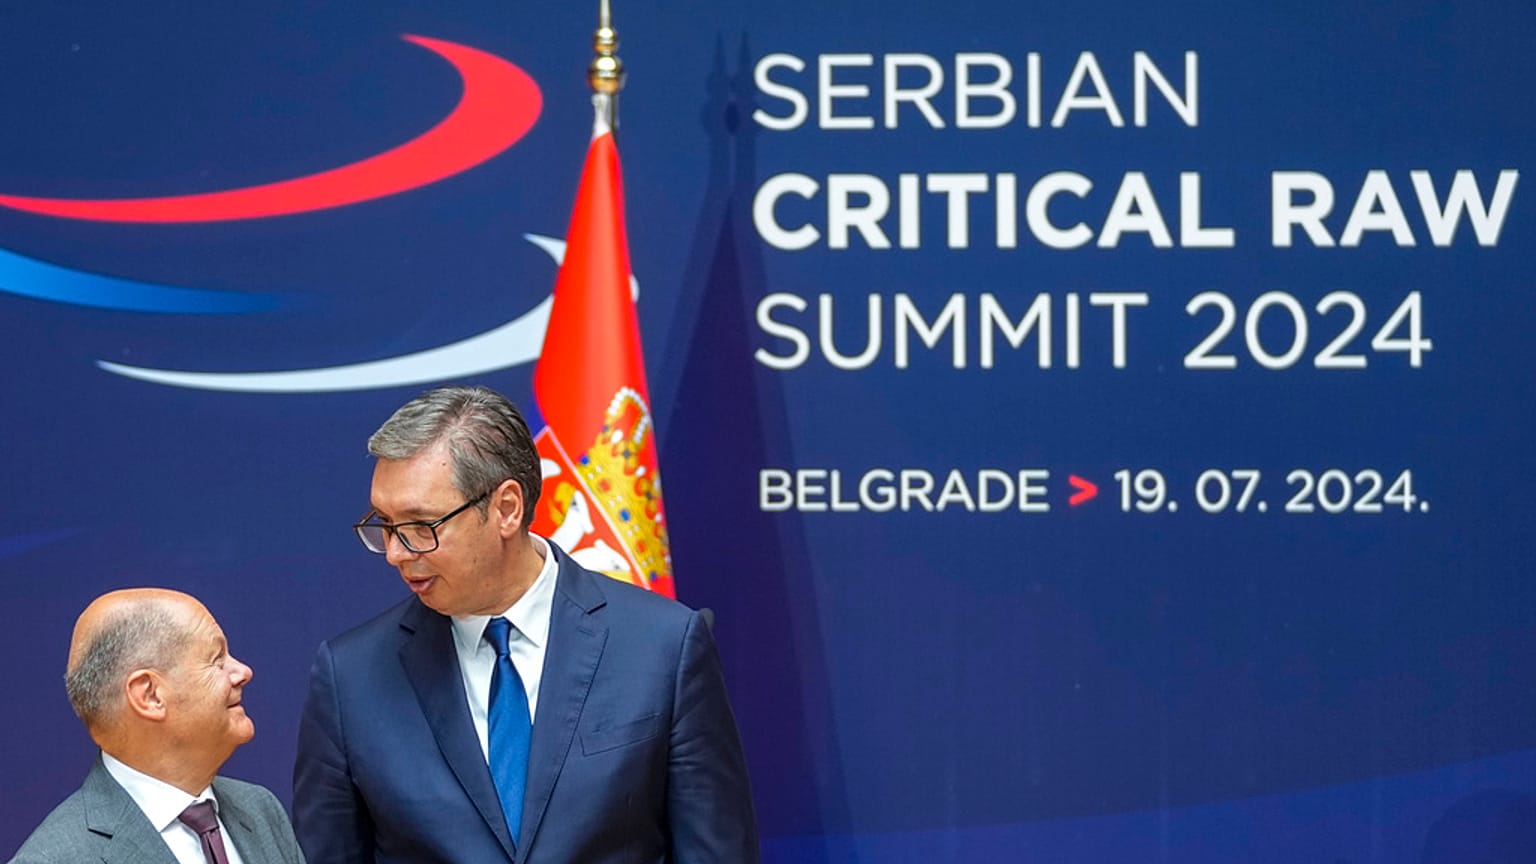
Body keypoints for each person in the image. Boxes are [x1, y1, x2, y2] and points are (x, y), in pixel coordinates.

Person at [292, 385, 758, 863]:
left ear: (507, 509)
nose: (395, 552)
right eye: (385, 525)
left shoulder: (663, 647)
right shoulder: (351, 678)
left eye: (421, 526)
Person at [9, 589, 304, 864]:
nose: (243, 672)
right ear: (149, 695)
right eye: (216, 660)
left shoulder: (260, 810)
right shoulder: (58, 857)